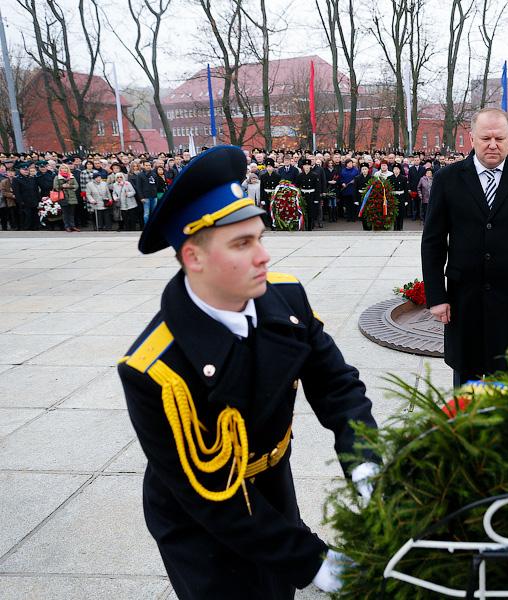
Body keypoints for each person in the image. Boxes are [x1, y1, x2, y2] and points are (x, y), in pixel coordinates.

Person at [117, 145, 379, 599]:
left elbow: (336, 384)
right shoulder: (153, 368)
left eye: (260, 237)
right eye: (242, 243)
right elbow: (210, 497)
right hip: (202, 522)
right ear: (193, 258)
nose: (264, 256)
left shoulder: (286, 298)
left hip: (273, 484)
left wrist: (364, 458)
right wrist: (312, 561)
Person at [421, 108, 508, 386]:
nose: (493, 145)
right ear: (472, 138)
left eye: (500, 138)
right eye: (486, 138)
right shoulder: (448, 179)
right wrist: (436, 296)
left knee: (507, 384)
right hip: (464, 297)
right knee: (467, 385)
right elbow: (433, 242)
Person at [54, 163, 80, 232]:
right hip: (63, 196)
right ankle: (67, 226)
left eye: (65, 168)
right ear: (60, 169)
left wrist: (69, 186)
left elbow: (76, 185)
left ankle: (73, 226)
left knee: (72, 213)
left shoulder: (72, 177)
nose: (64, 170)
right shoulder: (57, 177)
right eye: (63, 168)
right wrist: (62, 186)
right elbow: (55, 187)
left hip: (72, 196)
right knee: (65, 213)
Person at [388, 163, 408, 231]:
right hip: (393, 197)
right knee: (394, 213)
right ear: (392, 170)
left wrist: (406, 200)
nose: (396, 170)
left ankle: (400, 227)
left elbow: (406, 189)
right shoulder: (389, 178)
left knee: (401, 213)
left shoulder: (403, 178)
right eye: (394, 169)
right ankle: (395, 227)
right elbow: (388, 189)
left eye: (397, 169)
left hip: (401, 197)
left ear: (399, 170)